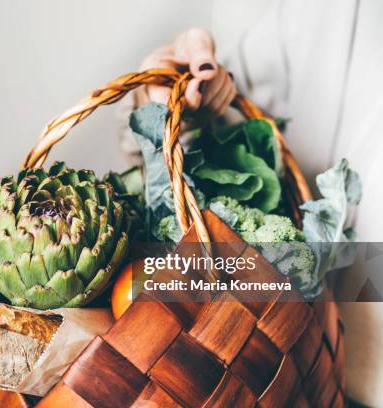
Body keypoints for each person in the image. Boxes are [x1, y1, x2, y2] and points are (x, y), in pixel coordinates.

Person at [120, 0, 383, 405]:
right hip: (251, 370)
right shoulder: (313, 16)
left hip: (318, 372)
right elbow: (213, 123)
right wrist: (164, 101)